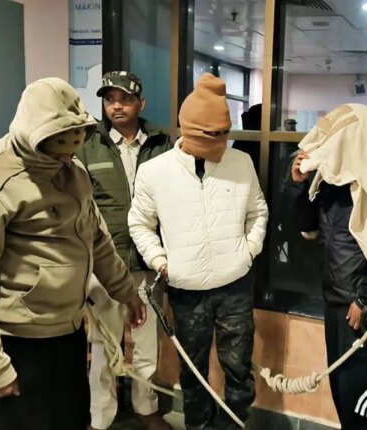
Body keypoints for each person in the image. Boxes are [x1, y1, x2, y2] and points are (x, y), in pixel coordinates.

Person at [0, 77, 147, 430]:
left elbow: (96, 239)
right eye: (57, 148)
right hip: (16, 342)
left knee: (71, 420)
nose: (67, 157)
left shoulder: (73, 171)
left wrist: (126, 292)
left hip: (68, 333)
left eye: (73, 145)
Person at [129, 73, 268, 430]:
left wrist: (249, 251)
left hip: (235, 284)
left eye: (225, 133)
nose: (221, 141)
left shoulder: (241, 163)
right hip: (186, 289)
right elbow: (139, 224)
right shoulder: (154, 172)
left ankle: (231, 426)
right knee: (192, 372)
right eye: (212, 134)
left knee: (239, 370)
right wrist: (160, 261)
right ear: (190, 131)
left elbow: (258, 212)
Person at [289, 104, 367, 430]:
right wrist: (301, 183)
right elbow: (306, 227)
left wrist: (365, 298)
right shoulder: (332, 178)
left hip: (365, 310)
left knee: (361, 405)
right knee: (342, 396)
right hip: (334, 301)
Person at [78, 71, 172, 430]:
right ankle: (101, 416)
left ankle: (146, 408)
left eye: (125, 99)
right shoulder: (89, 143)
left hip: (149, 261)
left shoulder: (161, 143)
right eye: (109, 99)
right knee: (104, 343)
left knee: (147, 342)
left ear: (140, 103)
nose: (116, 106)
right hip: (105, 263)